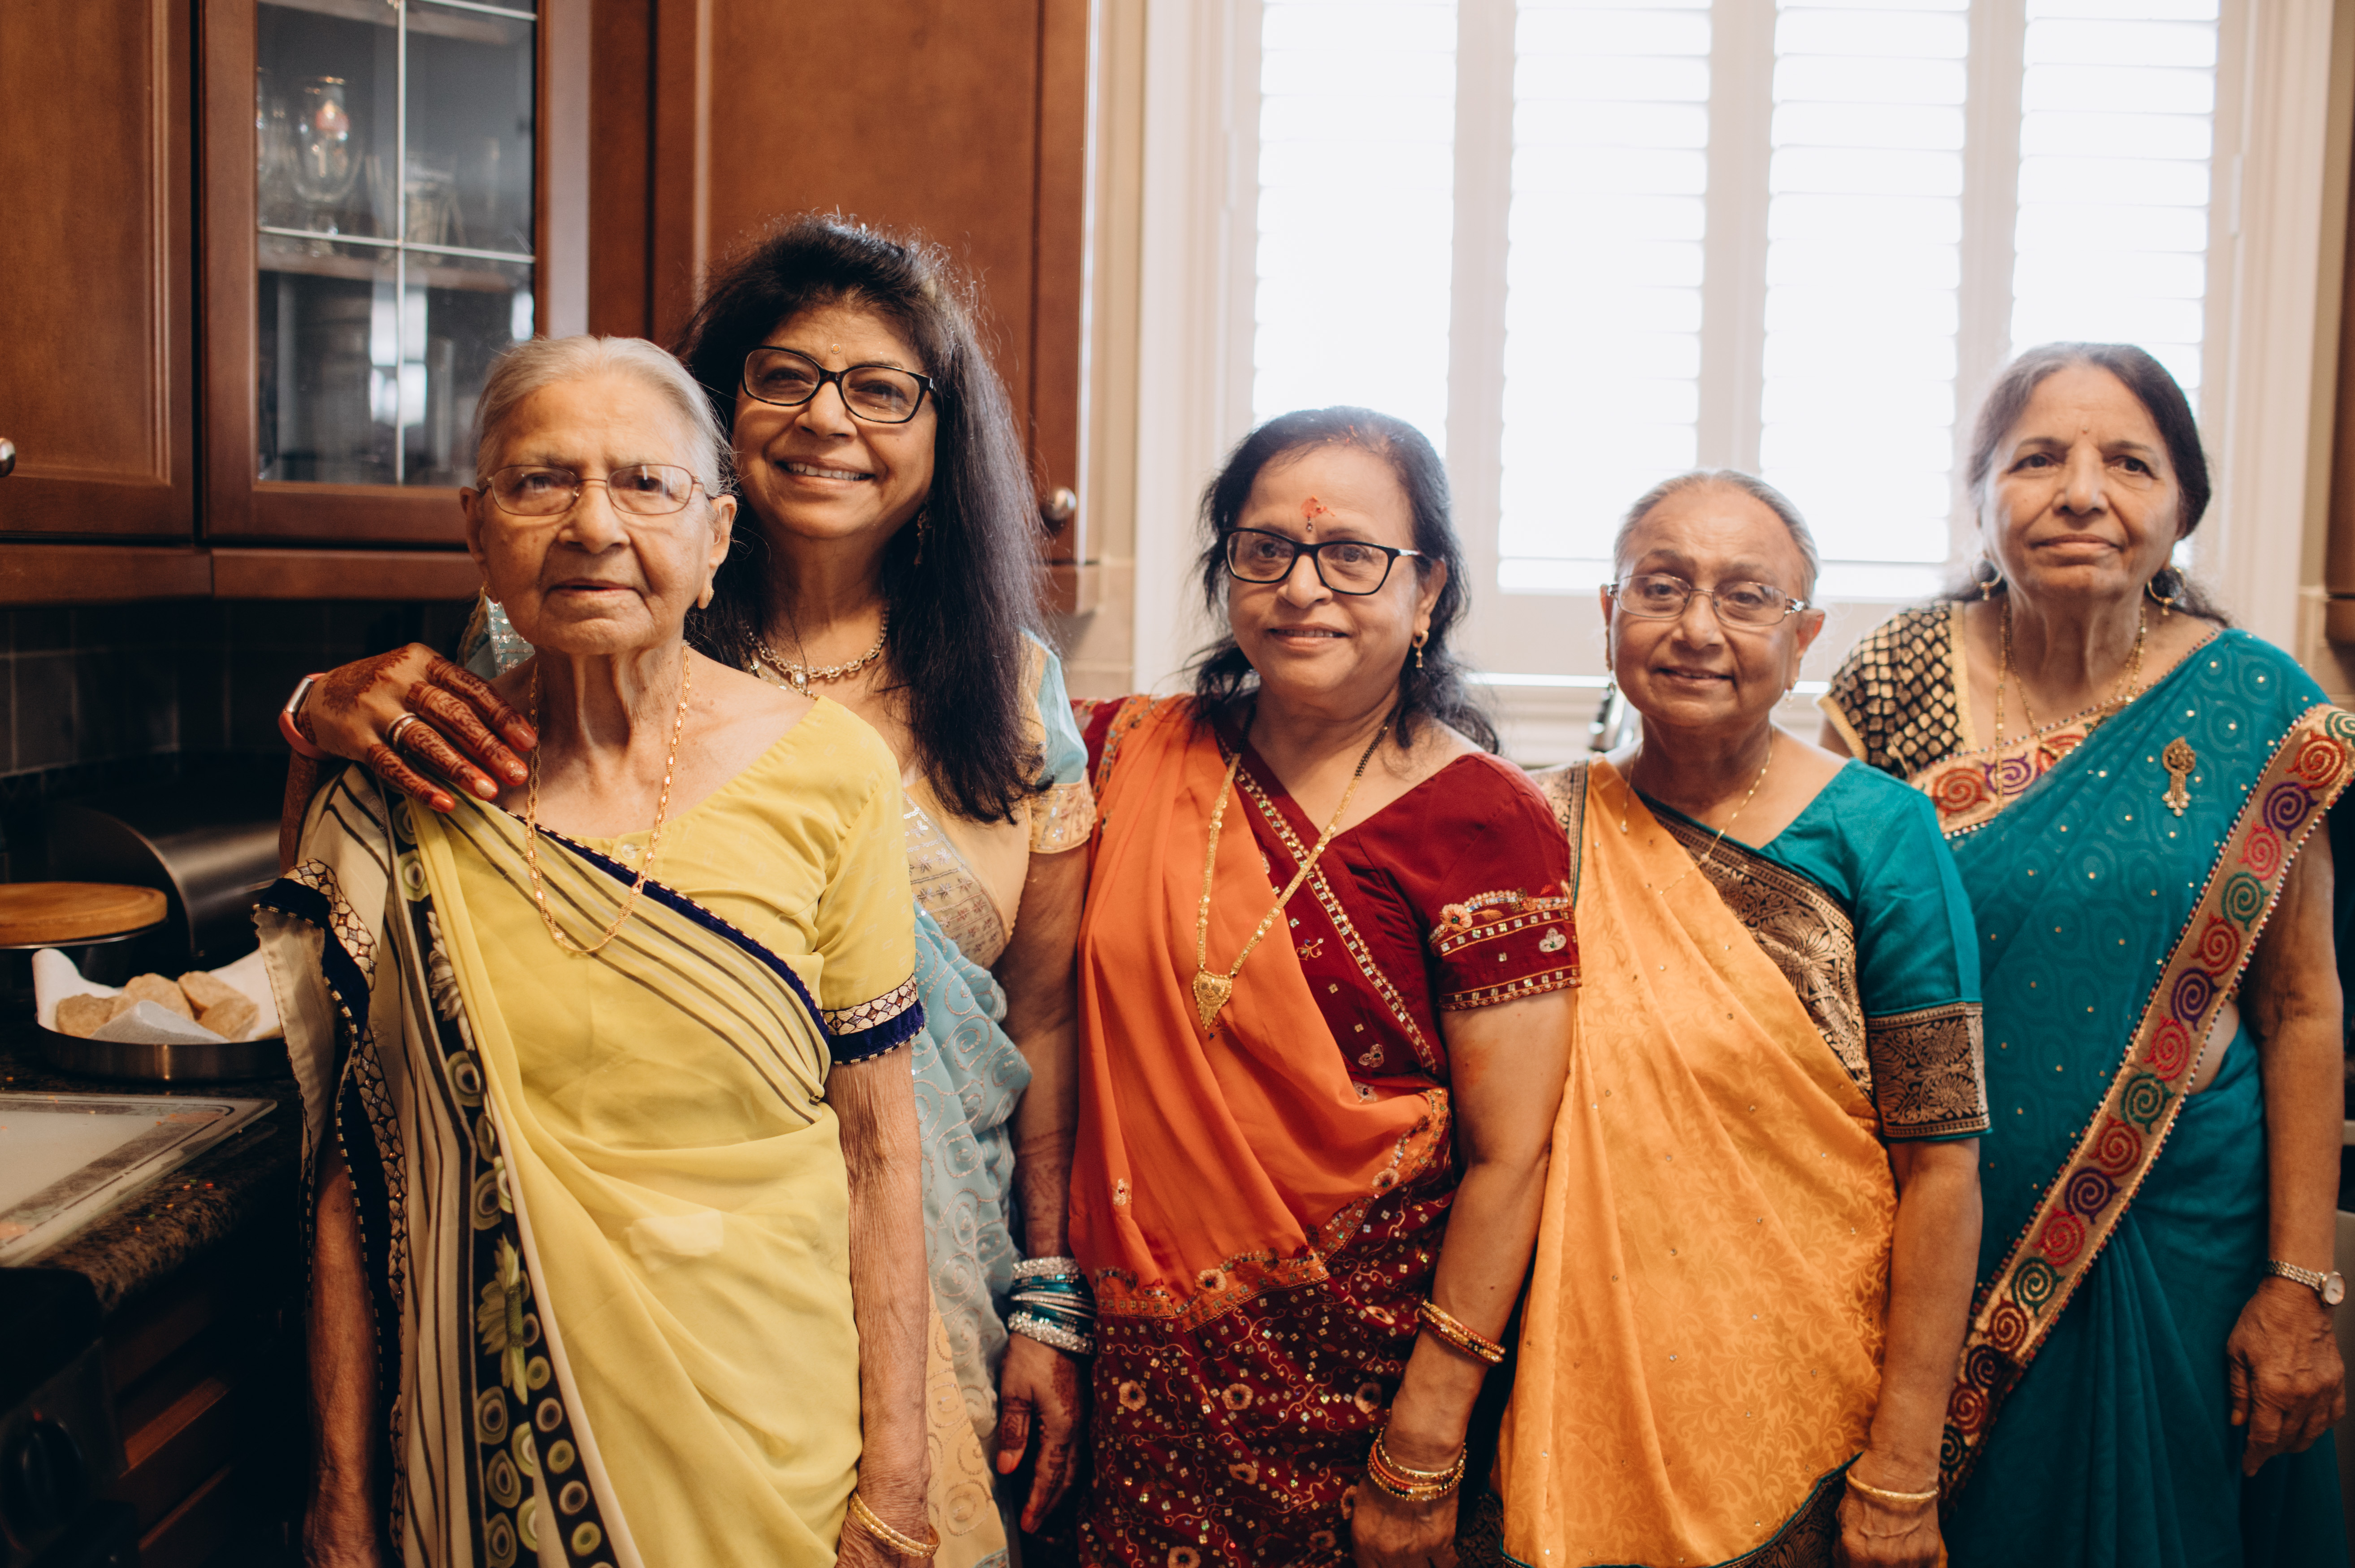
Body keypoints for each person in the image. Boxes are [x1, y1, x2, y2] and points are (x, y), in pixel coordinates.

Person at [278, 217, 1092, 1559]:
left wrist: (1047, 1297)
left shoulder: (1006, 693)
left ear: (944, 438)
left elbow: (1041, 1022)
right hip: (546, 1322)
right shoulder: (571, 616)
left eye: (881, 389)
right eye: (783, 377)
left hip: (924, 1293)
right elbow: (381, 953)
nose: (826, 420)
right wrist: (314, 710)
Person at [1819, 342, 2355, 1565]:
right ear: (1977, 496)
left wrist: (2297, 1282)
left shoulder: (2254, 705)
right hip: (1922, 1227)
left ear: (2182, 507)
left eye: (2126, 462)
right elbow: (1822, 979)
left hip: (2179, 1229)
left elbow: (2301, 1006)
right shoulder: (1894, 679)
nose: (2079, 493)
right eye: (2034, 460)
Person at [1069, 407, 1580, 1568]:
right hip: (1128, 1377)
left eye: (1351, 555)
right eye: (1266, 551)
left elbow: (1513, 1159)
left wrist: (1425, 1438)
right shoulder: (1125, 754)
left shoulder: (1487, 822)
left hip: (1366, 1378)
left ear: (1428, 588)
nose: (1302, 588)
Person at [1471, 472, 1987, 1568]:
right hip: (1573, 1379)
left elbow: (1941, 1164)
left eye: (1746, 597)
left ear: (1802, 638)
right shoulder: (1539, 826)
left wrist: (1904, 1460)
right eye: (1660, 588)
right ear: (1609, 614)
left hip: (1812, 1391)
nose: (1697, 629)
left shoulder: (1881, 834)